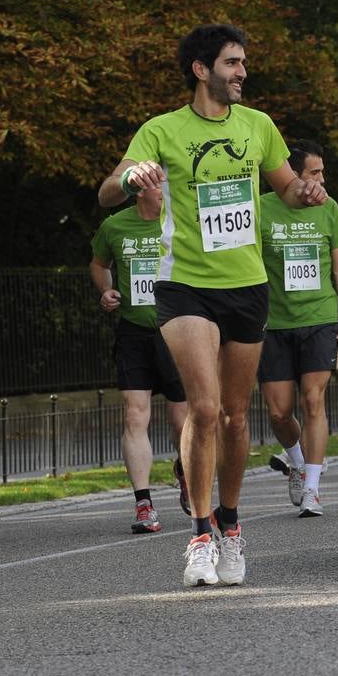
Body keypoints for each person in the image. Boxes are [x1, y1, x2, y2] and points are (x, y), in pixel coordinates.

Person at [98, 23, 326, 587]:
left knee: (232, 414)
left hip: (246, 284)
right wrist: (133, 176)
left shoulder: (259, 126)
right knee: (201, 410)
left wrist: (307, 191)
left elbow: (285, 187)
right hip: (185, 286)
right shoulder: (161, 130)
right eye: (231, 63)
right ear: (202, 70)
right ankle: (200, 533)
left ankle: (231, 523)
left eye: (243, 62)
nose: (242, 72)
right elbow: (107, 190)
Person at [256, 141, 338, 518]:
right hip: (273, 322)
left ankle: (313, 487)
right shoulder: (262, 207)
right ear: (292, 175)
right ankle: (297, 462)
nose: (322, 179)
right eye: (314, 172)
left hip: (316, 317)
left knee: (313, 401)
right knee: (279, 413)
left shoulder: (329, 208)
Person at [89, 185, 189, 533]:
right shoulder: (115, 226)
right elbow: (99, 264)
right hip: (134, 332)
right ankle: (144, 502)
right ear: (140, 192)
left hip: (176, 329)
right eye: (161, 185)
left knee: (182, 422)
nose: (167, 190)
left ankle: (186, 470)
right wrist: (106, 290)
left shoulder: (181, 220)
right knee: (135, 415)